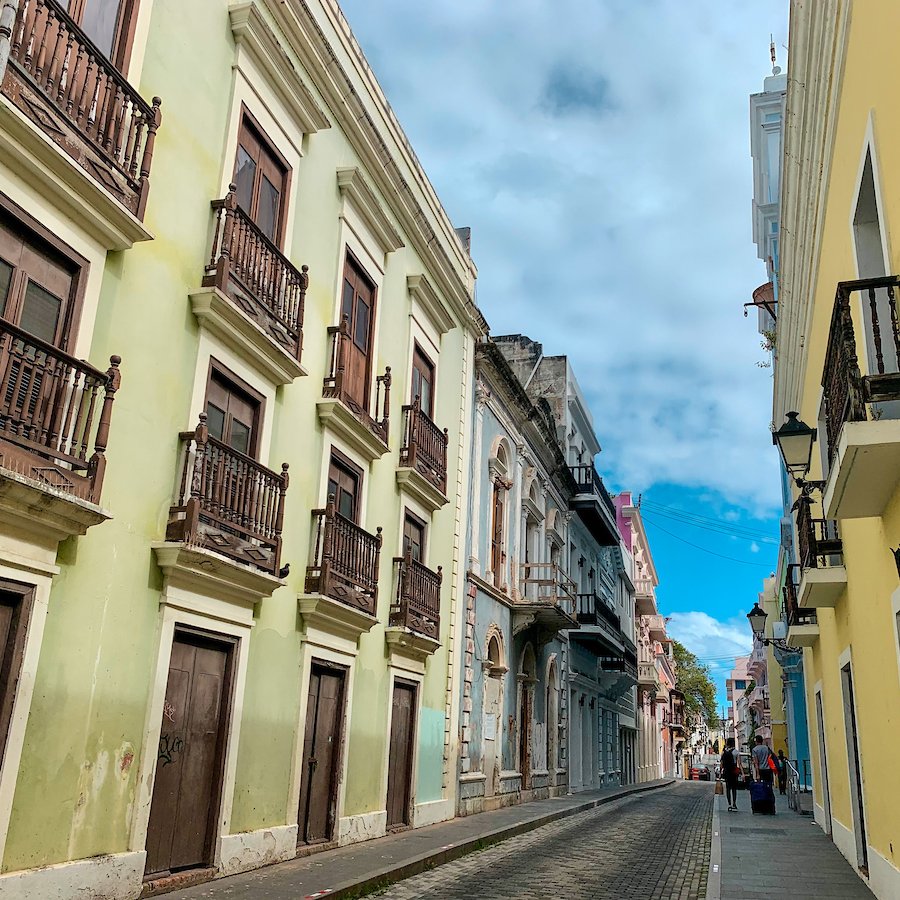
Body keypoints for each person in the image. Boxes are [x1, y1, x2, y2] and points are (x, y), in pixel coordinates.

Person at [720, 738, 741, 811]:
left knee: (728, 788)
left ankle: (729, 804)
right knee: (734, 788)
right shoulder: (736, 752)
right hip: (734, 771)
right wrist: (742, 773)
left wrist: (720, 772)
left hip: (726, 772)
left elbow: (721, 764)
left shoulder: (724, 752)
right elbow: (739, 763)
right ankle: (734, 803)